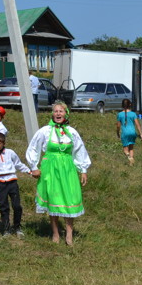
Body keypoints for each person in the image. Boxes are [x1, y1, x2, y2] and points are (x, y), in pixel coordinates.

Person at [26, 101, 91, 246]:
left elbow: (79, 150)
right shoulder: (45, 131)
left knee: (70, 198)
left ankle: (69, 235)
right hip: (50, 169)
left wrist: (83, 170)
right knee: (54, 200)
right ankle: (55, 233)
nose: (58, 114)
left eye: (61, 111)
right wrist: (34, 166)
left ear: (66, 114)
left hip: (67, 169)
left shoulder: (72, 132)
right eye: (55, 111)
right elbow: (33, 148)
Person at [116, 98, 142, 165]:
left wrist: (118, 133)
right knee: (131, 148)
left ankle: (130, 158)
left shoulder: (120, 114)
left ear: (122, 105)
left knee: (125, 149)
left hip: (125, 133)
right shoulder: (133, 114)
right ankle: (131, 164)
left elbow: (118, 126)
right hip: (133, 133)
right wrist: (141, 134)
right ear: (130, 104)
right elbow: (138, 125)